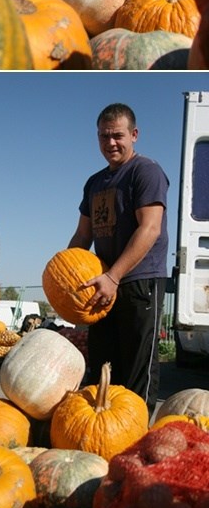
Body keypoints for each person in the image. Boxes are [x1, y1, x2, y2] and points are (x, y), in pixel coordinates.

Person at [67, 103, 169, 416]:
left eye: (117, 135)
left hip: (140, 281)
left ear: (134, 135)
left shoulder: (146, 171)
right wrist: (64, 277)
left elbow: (150, 228)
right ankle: (99, 432)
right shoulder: (94, 182)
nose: (110, 143)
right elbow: (82, 237)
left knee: (137, 368)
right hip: (103, 284)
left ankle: (134, 437)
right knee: (102, 365)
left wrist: (114, 277)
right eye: (103, 136)